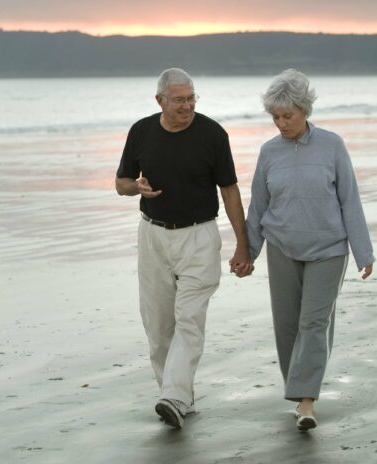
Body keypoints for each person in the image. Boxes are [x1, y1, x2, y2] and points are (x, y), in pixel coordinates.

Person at [115, 68, 253, 429]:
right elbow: (121, 183)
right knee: (159, 325)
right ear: (160, 100)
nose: (187, 106)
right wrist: (137, 189)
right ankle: (177, 397)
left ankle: (173, 397)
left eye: (192, 98)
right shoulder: (141, 131)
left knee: (189, 319)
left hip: (199, 237)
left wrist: (243, 243)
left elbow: (230, 190)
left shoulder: (212, 134)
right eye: (179, 100)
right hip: (153, 236)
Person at [245, 69, 375, 432]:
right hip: (283, 247)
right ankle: (298, 388)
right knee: (287, 327)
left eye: (288, 116)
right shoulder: (269, 152)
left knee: (314, 323)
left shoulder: (332, 145)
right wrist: (248, 252)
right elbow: (258, 206)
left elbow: (350, 200)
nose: (281, 123)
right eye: (276, 117)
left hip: (329, 249)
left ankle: (306, 401)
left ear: (305, 110)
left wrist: (363, 252)